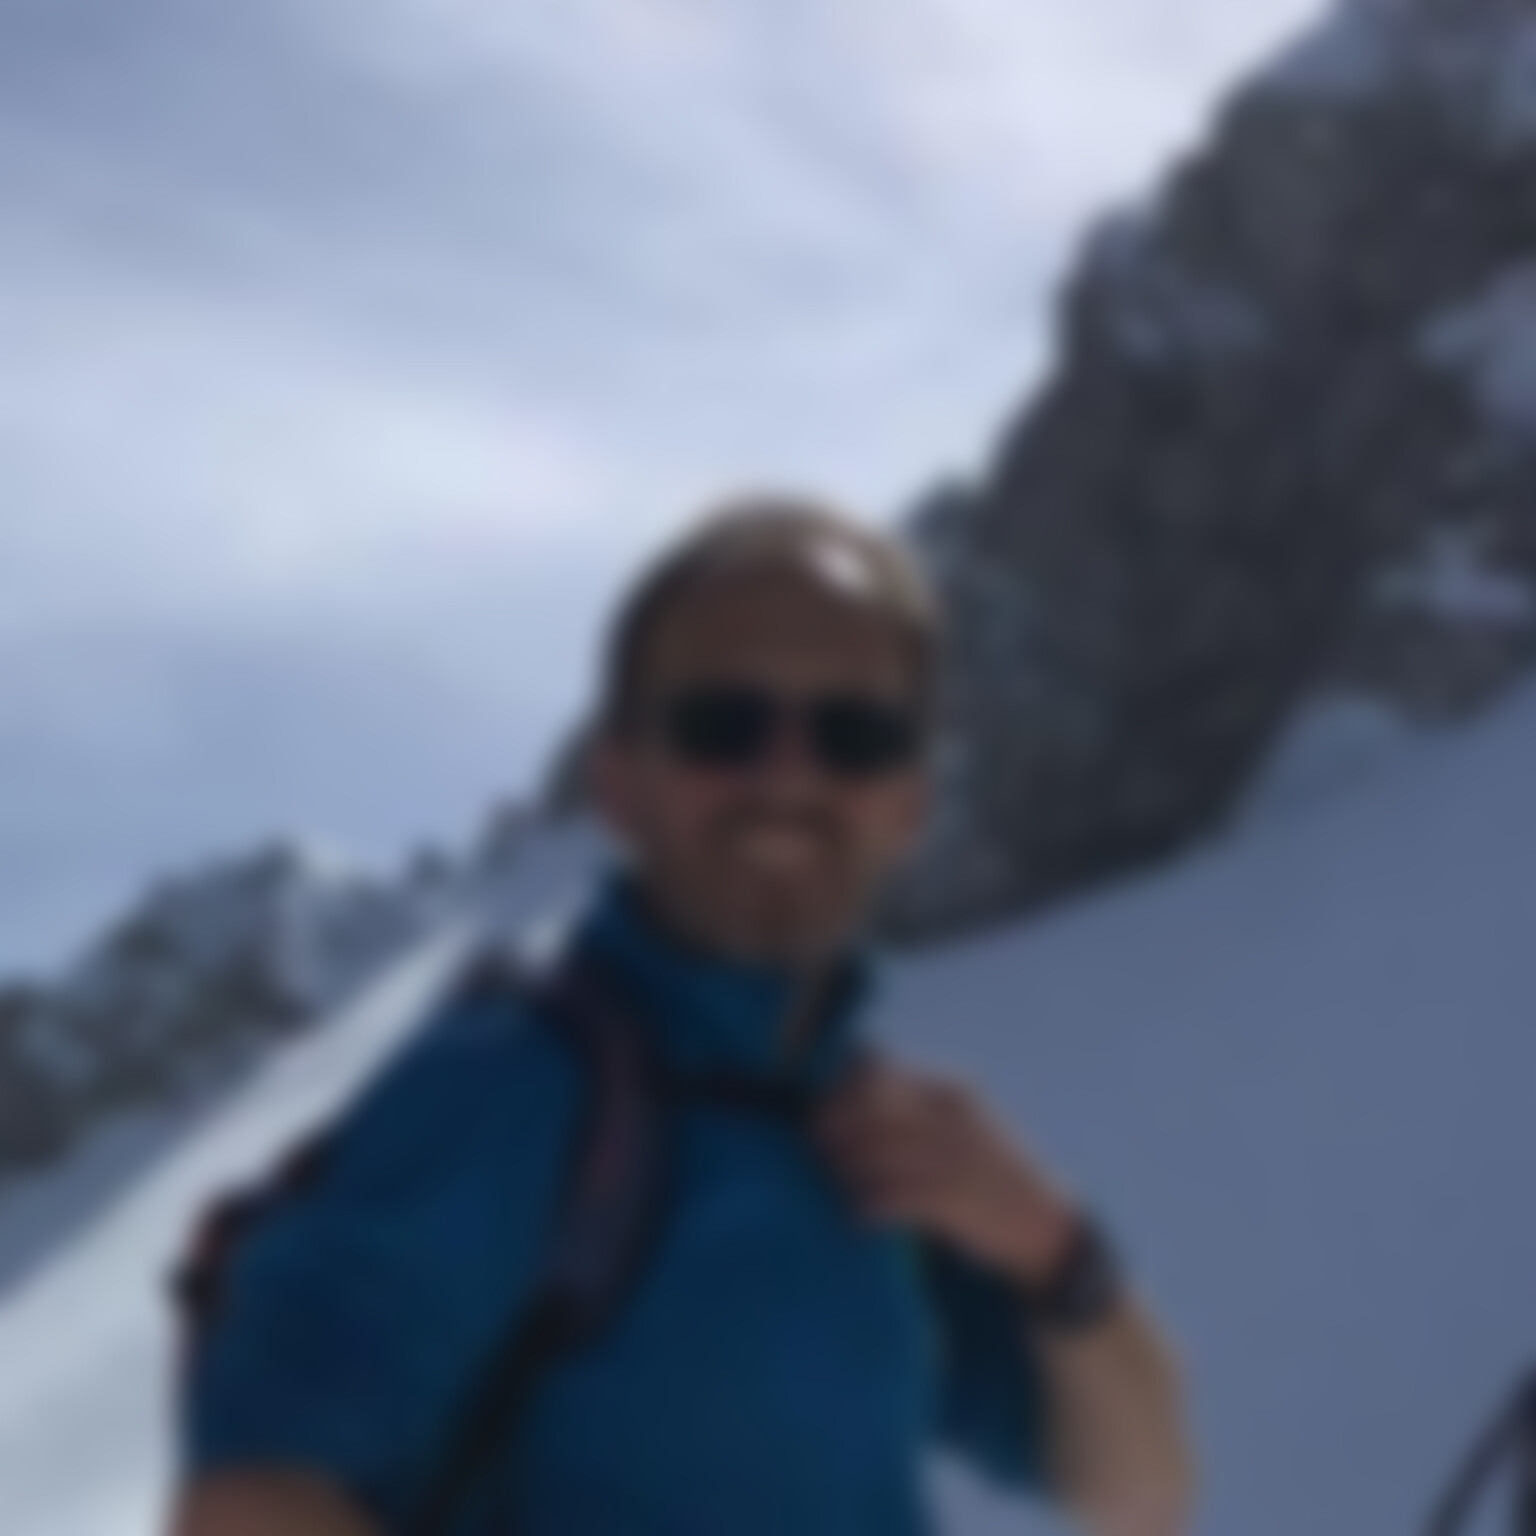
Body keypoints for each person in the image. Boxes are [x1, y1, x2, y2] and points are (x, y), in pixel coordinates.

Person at [168, 498, 1195, 1536]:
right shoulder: (505, 1089)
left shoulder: (875, 1140)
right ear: (619, 784)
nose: (788, 776)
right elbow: (247, 1506)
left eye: (854, 736)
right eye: (723, 726)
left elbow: (1138, 1494)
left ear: (908, 806)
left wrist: (1052, 1248)